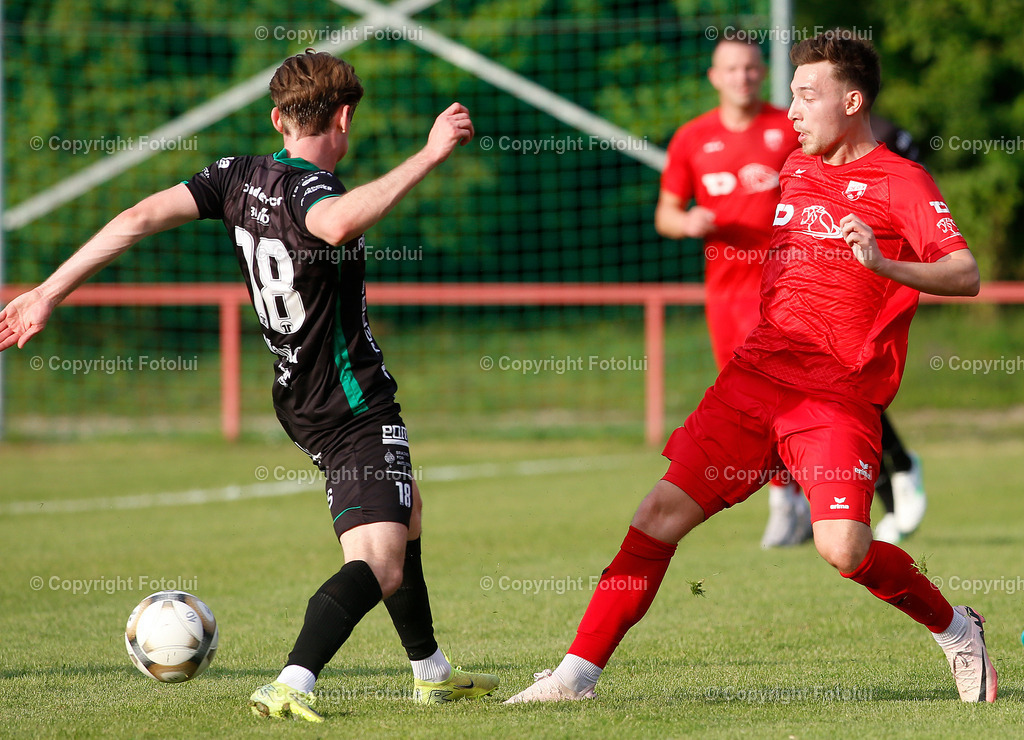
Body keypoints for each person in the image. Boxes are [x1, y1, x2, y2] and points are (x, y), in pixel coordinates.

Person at [0, 49, 498, 722]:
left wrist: (47, 293)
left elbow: (138, 218)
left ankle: (430, 670)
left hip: (299, 395)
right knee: (381, 562)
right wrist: (430, 153)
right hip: (350, 401)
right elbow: (337, 221)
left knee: (404, 523)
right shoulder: (314, 191)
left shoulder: (236, 175)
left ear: (277, 119)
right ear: (344, 117)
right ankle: (293, 679)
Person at [505, 31, 996, 705]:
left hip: (835, 396)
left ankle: (957, 629)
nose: (790, 110)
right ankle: (573, 677)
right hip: (757, 379)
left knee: (844, 550)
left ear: (852, 101)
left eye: (806, 95)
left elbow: (965, 272)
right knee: (655, 517)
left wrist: (885, 266)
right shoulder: (795, 166)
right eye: (789, 94)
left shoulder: (901, 180)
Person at [655, 39, 926, 548]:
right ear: (714, 76)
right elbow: (665, 212)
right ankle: (792, 499)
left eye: (753, 68)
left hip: (807, 285)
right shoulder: (692, 138)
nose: (743, 78)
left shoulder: (794, 122)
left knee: (833, 385)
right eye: (732, 69)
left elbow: (859, 147)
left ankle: (886, 480)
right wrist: (687, 221)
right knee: (764, 398)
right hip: (731, 292)